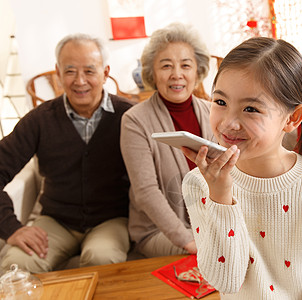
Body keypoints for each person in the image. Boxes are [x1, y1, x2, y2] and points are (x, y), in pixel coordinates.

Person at [181, 37, 302, 299]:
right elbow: (226, 281)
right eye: (220, 102)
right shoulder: (198, 183)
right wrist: (220, 197)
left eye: (251, 108)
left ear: (292, 118)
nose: (229, 123)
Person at [0, 34, 133, 273]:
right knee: (17, 265)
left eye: (89, 71)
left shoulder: (129, 116)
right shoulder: (39, 120)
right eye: (70, 71)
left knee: (101, 259)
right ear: (58, 73)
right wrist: (11, 227)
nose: (79, 81)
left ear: (105, 73)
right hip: (55, 221)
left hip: (112, 219)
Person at [120, 23, 213, 258]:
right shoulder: (134, 120)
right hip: (158, 230)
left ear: (197, 70)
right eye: (166, 66)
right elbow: (145, 191)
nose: (176, 74)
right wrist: (188, 240)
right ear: (152, 72)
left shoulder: (214, 112)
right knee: (211, 255)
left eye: (185, 65)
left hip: (212, 221)